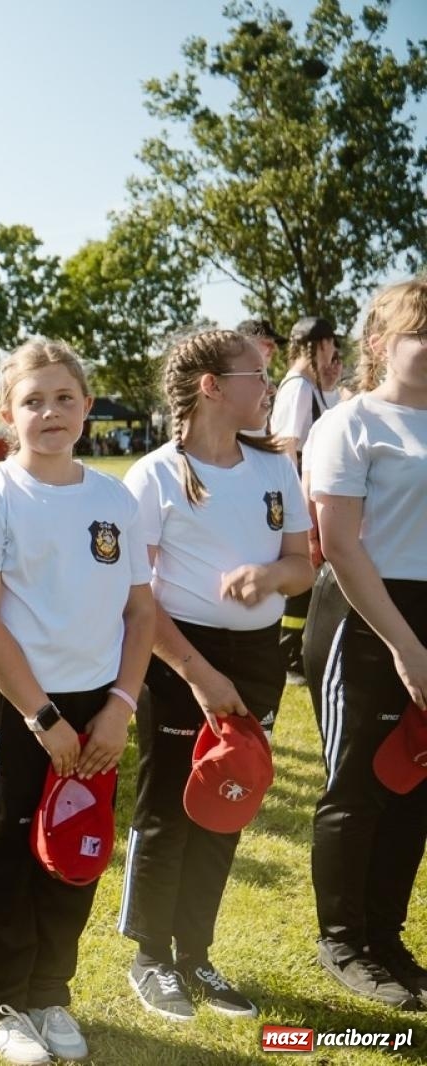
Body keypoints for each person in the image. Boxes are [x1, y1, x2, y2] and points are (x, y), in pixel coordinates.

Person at [0, 338, 154, 1064]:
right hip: (14, 707)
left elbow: (140, 614)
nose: (50, 412)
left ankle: (48, 991)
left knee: (75, 849)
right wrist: (43, 719)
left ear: (87, 406)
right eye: (33, 400)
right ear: (9, 413)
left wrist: (121, 705)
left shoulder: (112, 498)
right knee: (4, 855)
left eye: (64, 397)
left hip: (98, 704)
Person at [118, 329, 312, 1023]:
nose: (268, 388)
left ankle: (195, 952)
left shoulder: (274, 469)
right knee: (169, 805)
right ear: (210, 387)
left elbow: (303, 565)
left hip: (257, 661)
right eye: (257, 375)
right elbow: (135, 598)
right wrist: (198, 674)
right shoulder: (154, 475)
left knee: (226, 803)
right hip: (179, 659)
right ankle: (151, 956)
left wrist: (268, 575)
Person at [306, 278, 427, 1011]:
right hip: (367, 615)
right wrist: (407, 647)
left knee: (415, 784)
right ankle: (345, 939)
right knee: (360, 785)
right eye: (424, 332)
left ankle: (386, 936)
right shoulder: (351, 423)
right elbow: (343, 548)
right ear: (380, 343)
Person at [269, 315, 341, 684]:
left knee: (309, 578)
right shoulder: (297, 386)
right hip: (299, 494)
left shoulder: (311, 385)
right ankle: (287, 652)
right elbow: (287, 445)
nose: (334, 352)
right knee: (301, 578)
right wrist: (297, 505)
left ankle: (295, 650)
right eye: (330, 343)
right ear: (318, 344)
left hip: (307, 493)